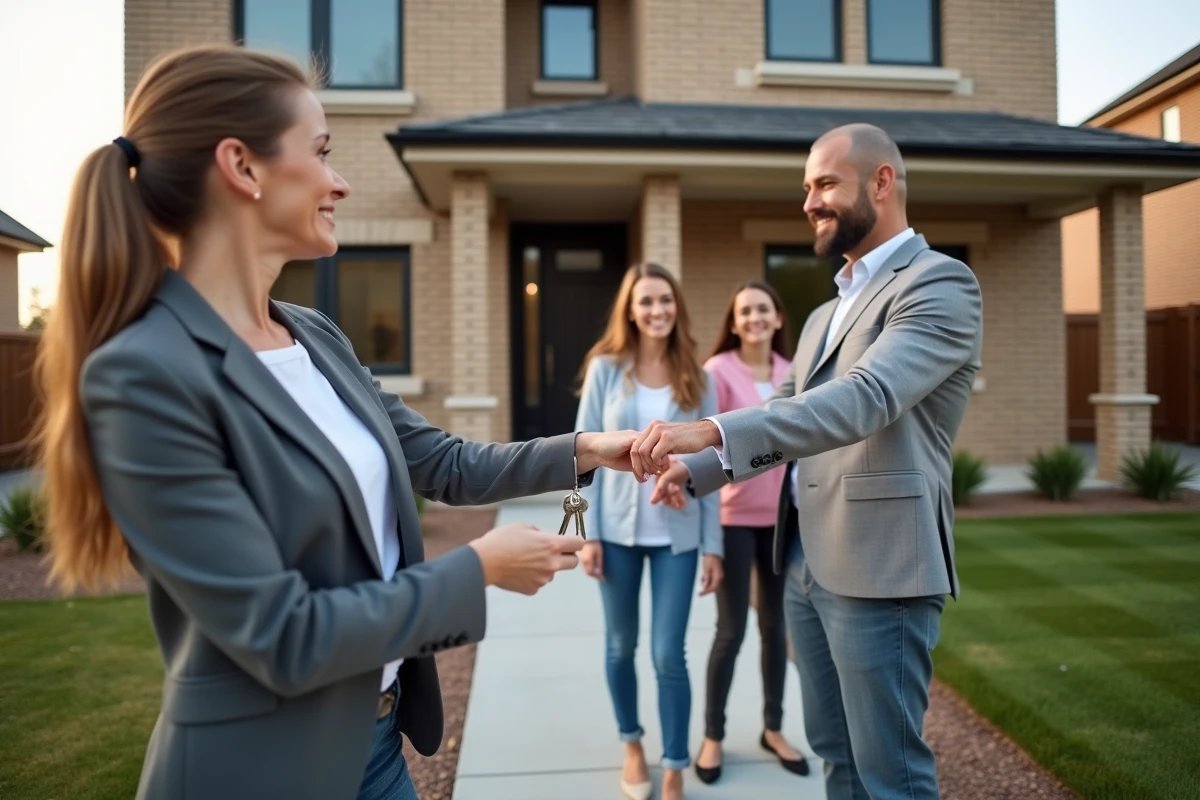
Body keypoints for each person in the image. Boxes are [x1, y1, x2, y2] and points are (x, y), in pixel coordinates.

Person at [33, 44, 636, 800]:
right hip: (260, 772)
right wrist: (478, 571)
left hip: (377, 747)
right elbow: (281, 634)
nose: (340, 181)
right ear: (242, 168)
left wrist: (590, 448)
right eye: (320, 152)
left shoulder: (313, 334)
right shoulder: (143, 374)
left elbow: (444, 463)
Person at [635, 123, 983, 800]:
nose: (809, 202)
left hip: (880, 567)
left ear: (882, 183)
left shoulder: (939, 284)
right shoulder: (826, 313)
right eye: (806, 188)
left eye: (825, 184)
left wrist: (706, 431)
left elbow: (866, 398)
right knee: (835, 755)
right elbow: (788, 417)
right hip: (803, 561)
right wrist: (697, 471)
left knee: (892, 776)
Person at [573, 262, 724, 800]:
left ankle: (676, 762)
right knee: (620, 648)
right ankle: (633, 744)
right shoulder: (605, 368)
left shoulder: (697, 377)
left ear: (676, 306)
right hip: (614, 533)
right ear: (631, 310)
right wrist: (586, 534)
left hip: (678, 539)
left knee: (668, 654)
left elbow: (712, 462)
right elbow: (580, 455)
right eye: (646, 301)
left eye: (665, 300)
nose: (657, 310)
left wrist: (713, 547)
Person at [692, 281, 809, 784]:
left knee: (775, 630)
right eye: (745, 311)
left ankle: (773, 728)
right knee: (732, 630)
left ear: (778, 318)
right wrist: (708, 545)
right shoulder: (716, 372)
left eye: (764, 308)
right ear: (734, 323)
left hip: (784, 521)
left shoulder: (794, 373)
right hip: (734, 521)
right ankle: (713, 736)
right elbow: (701, 453)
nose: (755, 318)